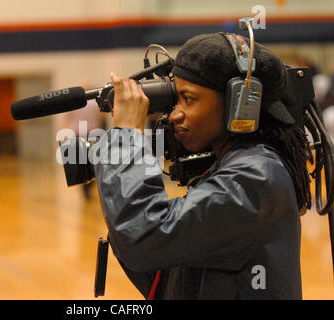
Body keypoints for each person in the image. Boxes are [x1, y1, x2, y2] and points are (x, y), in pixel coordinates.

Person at [92, 33, 312, 299]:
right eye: (176, 100)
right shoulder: (235, 166)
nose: (175, 114)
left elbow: (144, 237)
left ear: (240, 105)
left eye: (189, 99)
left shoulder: (255, 178)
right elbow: (166, 268)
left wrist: (126, 136)